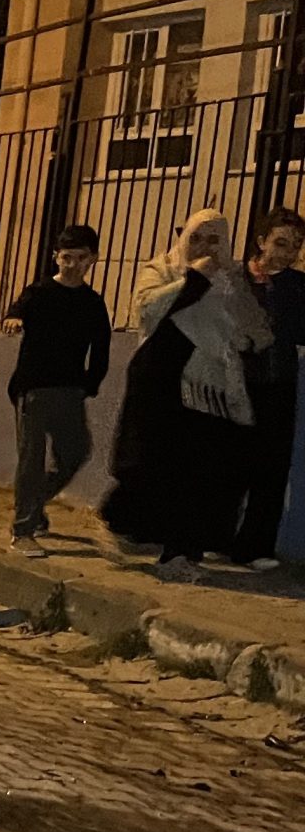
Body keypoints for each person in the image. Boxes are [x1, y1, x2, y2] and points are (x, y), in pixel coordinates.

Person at [100, 209, 272, 582]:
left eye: (214, 240)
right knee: (154, 467)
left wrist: (239, 333)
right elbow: (146, 310)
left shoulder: (232, 280)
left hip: (210, 388)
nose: (204, 247)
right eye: (196, 237)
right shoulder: (162, 269)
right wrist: (192, 279)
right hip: (161, 383)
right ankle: (145, 534)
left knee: (198, 475)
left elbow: (255, 331)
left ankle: (181, 552)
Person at [0, 223, 111, 558]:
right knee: (31, 459)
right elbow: (16, 311)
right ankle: (23, 530)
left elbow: (101, 349)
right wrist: (14, 320)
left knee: (75, 452)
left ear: (93, 258)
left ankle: (34, 504)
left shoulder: (92, 303)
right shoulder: (39, 292)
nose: (72, 264)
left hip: (70, 390)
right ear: (55, 257)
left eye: (80, 258)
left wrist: (89, 385)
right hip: (33, 387)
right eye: (66, 257)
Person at [231, 209, 305, 570]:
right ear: (261, 241)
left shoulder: (298, 285)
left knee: (272, 467)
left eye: (295, 245)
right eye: (281, 242)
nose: (288, 252)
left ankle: (256, 547)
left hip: (279, 382)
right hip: (237, 381)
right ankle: (213, 536)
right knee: (229, 462)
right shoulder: (236, 279)